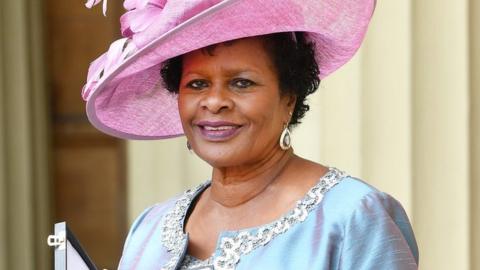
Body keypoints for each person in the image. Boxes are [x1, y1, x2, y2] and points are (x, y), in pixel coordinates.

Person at [83, 0, 419, 269]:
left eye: (241, 83)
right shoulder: (150, 228)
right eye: (197, 84)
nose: (214, 102)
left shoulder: (353, 217)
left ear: (289, 97)